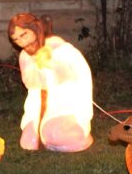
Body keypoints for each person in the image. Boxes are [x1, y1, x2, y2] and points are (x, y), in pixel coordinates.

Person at [8, 13, 93, 152]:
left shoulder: (60, 48)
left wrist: (51, 64)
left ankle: (73, 131)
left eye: (24, 35)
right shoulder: (25, 56)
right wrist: (37, 68)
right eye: (16, 40)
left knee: (55, 134)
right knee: (29, 142)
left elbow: (73, 75)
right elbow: (30, 82)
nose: (21, 42)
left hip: (64, 104)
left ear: (34, 29)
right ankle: (41, 128)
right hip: (39, 105)